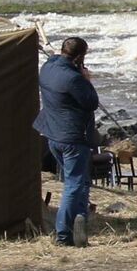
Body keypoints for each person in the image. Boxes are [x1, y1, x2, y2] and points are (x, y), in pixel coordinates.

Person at [34, 37, 99, 247]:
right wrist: (86, 78)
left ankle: (79, 224)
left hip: (52, 135)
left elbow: (53, 57)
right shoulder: (74, 79)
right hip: (72, 138)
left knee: (78, 183)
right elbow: (91, 102)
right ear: (80, 57)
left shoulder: (48, 67)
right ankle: (63, 234)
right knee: (74, 185)